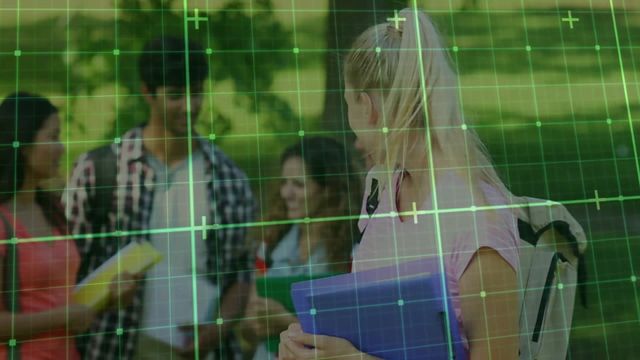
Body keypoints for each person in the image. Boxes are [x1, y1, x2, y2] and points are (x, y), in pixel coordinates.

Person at [279, 8, 521, 359]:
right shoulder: (383, 188)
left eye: (348, 104)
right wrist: (308, 343)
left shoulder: (479, 216)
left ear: (367, 107)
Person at [63, 36, 255, 360]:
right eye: (176, 96)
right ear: (147, 93)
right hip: (116, 346)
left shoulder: (227, 178)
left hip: (199, 348)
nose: (190, 106)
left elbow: (241, 272)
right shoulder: (98, 172)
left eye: (196, 93)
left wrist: (218, 328)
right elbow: (64, 269)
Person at [0, 92, 135, 359]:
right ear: (23, 145)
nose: (61, 147)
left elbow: (58, 297)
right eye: (52, 137)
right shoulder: (3, 223)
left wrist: (109, 297)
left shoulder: (53, 210)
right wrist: (63, 317)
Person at [239, 137, 362, 359]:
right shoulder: (268, 246)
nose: (286, 193)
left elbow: (359, 332)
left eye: (299, 184)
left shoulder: (354, 251)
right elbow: (248, 330)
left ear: (329, 189)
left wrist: (287, 322)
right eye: (285, 182)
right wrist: (253, 325)